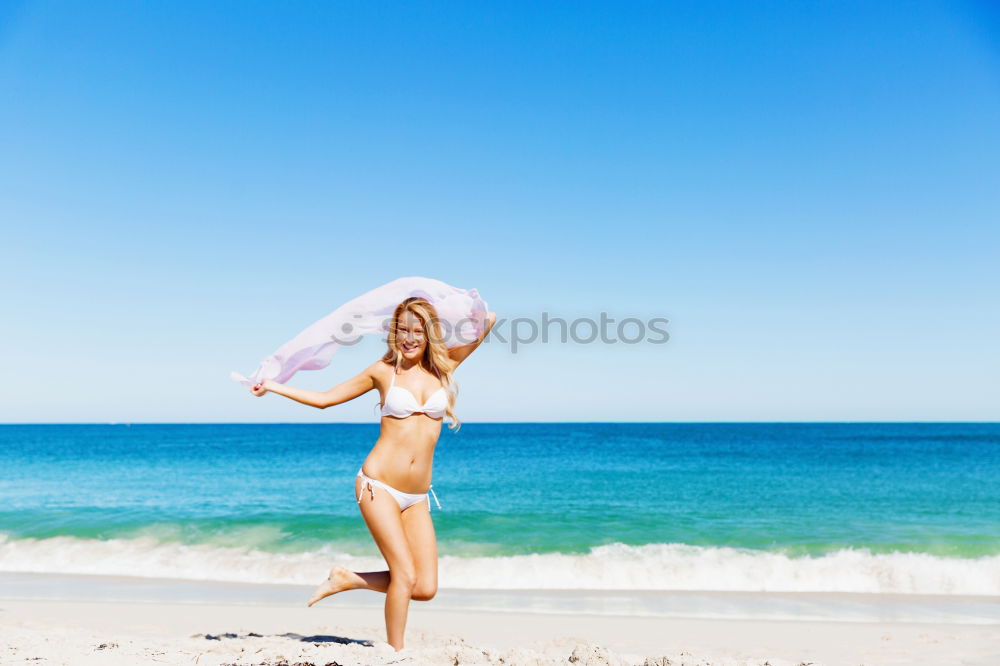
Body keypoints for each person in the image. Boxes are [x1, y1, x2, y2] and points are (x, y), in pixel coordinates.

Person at [249, 297, 496, 651]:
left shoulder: (444, 368)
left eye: (418, 331)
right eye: (403, 330)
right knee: (405, 575)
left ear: (428, 335)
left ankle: (347, 578)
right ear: (393, 333)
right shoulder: (383, 371)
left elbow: (487, 322)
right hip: (377, 486)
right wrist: (273, 386)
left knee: (424, 587)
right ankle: (396, 654)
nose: (409, 338)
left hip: (417, 497)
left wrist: (471, 306)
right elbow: (325, 399)